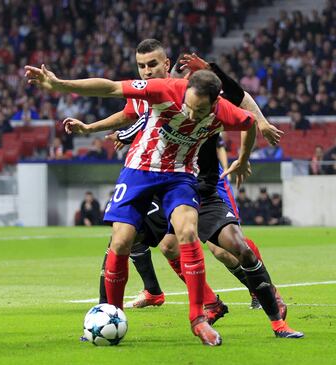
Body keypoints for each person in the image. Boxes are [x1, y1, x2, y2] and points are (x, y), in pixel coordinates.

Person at [25, 42, 302, 344]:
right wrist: (61, 86)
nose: (191, 115)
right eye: (189, 107)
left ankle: (202, 317)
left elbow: (247, 119)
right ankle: (114, 311)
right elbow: (112, 90)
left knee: (200, 237)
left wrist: (243, 158)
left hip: (184, 177)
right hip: (140, 172)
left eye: (200, 110)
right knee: (122, 241)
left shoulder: (220, 105)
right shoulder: (160, 89)